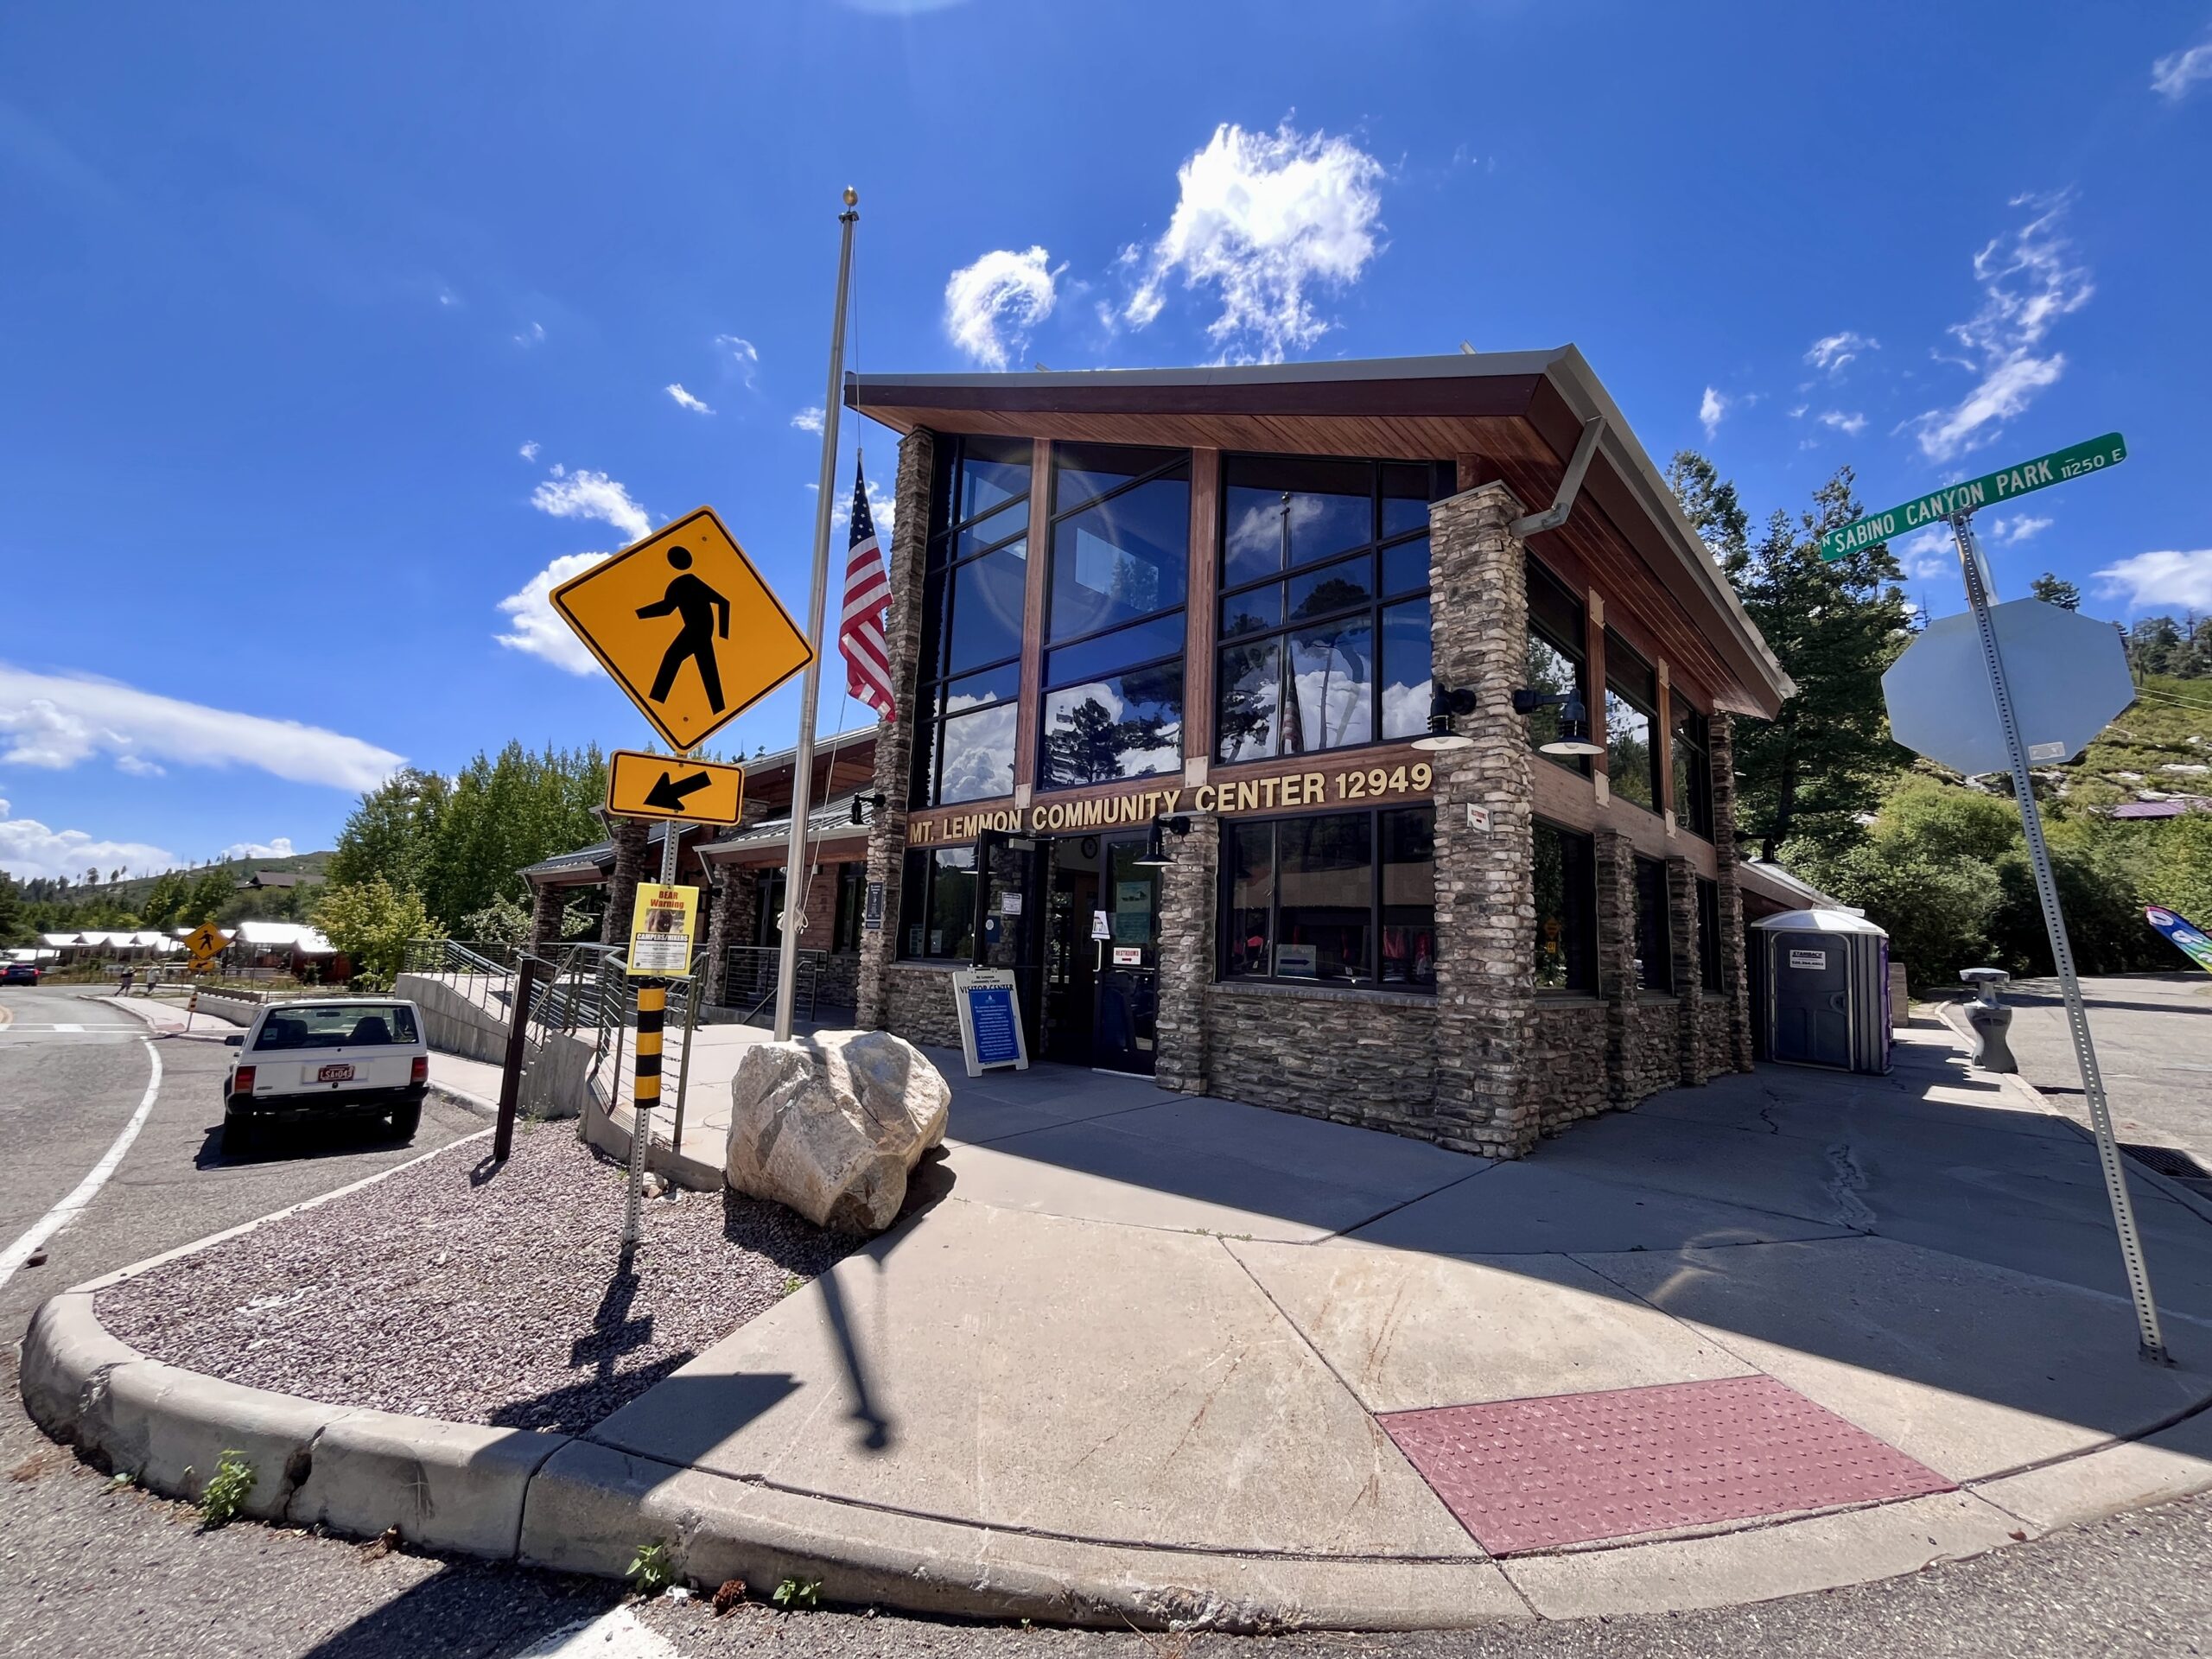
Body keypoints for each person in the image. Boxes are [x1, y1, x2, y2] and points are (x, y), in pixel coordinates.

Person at [635, 546, 731, 713]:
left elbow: (724, 602)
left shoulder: (690, 581)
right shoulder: (678, 584)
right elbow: (667, 608)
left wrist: (724, 635)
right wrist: (638, 614)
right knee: (707, 669)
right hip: (699, 630)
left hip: (698, 629)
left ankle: (657, 699)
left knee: (673, 658)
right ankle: (718, 708)